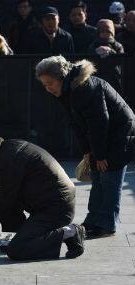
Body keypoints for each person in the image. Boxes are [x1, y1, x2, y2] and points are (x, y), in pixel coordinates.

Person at [36, 55, 135, 239]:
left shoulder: (84, 88)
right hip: (105, 134)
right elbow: (77, 125)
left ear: (61, 77)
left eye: (50, 83)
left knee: (109, 180)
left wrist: (100, 154)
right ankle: (93, 221)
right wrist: (88, 152)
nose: (48, 88)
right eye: (44, 85)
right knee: (97, 178)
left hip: (119, 133)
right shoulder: (66, 91)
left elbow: (100, 123)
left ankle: (106, 224)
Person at [0, 131, 85, 261]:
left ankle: (70, 233)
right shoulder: (6, 149)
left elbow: (5, 200)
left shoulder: (6, 162)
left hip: (57, 208)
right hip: (53, 201)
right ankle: (22, 238)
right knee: (8, 207)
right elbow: (7, 196)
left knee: (17, 250)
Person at [89, 19, 124, 92]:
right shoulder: (94, 45)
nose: (105, 34)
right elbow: (89, 59)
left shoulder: (117, 45)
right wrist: (96, 52)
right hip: (98, 76)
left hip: (114, 78)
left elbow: (121, 60)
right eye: (102, 31)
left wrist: (112, 52)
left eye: (108, 31)